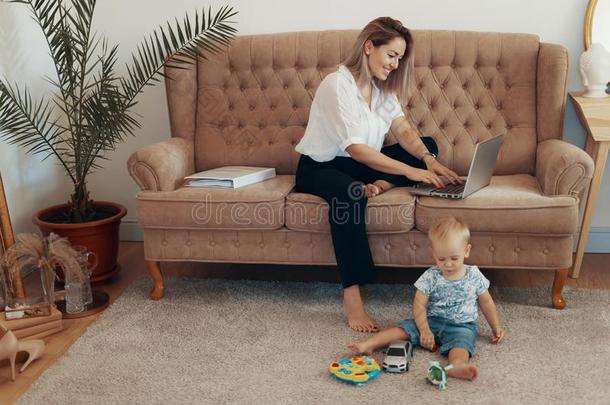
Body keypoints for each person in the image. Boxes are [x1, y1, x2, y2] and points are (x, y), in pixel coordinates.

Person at [294, 17, 461, 332]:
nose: (395, 65)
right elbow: (356, 149)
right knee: (349, 193)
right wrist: (414, 171)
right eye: (392, 56)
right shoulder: (337, 85)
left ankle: (381, 182)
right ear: (369, 47)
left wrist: (427, 159)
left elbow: (403, 131)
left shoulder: (381, 90)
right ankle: (352, 296)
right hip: (322, 166)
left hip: (361, 165)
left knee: (428, 143)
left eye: (399, 58)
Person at [348, 216, 505, 381]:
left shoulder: (474, 275)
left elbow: (486, 301)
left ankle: (456, 365)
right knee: (403, 329)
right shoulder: (431, 276)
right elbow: (419, 305)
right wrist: (424, 330)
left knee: (462, 344)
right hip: (431, 320)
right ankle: (370, 344)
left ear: (466, 250)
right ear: (433, 253)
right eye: (441, 259)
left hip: (461, 325)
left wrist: (496, 326)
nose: (448, 264)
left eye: (454, 258)